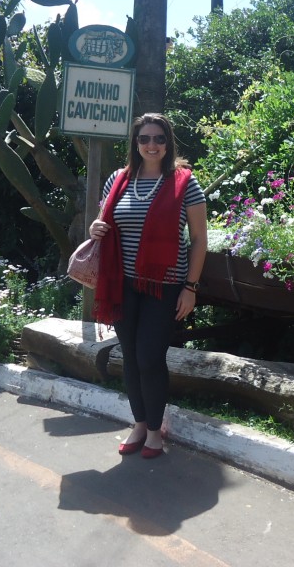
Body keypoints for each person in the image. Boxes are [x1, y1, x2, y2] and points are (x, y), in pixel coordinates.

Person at [89, 113, 207, 459]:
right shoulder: (119, 179)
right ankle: (139, 423)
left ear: (168, 142)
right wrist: (97, 226)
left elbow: (199, 240)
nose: (152, 145)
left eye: (158, 138)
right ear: (135, 143)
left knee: (149, 357)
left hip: (166, 286)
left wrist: (191, 287)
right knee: (129, 358)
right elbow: (107, 222)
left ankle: (155, 430)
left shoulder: (185, 182)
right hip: (122, 283)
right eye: (144, 139)